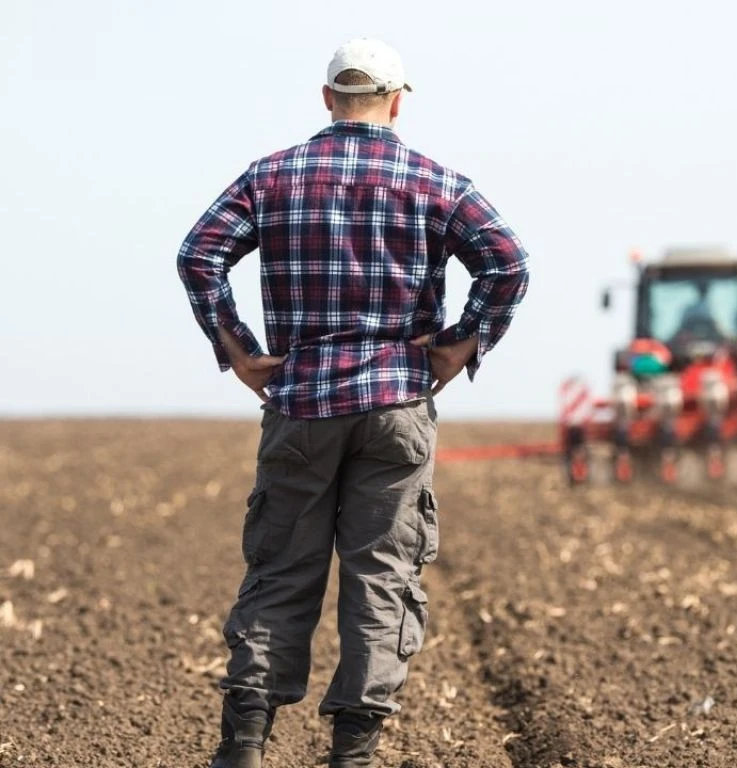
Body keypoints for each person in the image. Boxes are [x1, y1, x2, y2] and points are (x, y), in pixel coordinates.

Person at [176, 38, 529, 768]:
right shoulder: (438, 182)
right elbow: (509, 262)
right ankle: (355, 754)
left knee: (280, 572)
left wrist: (239, 350)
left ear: (327, 97)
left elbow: (199, 253)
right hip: (397, 403)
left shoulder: (271, 177)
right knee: (382, 577)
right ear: (398, 100)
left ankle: (242, 748)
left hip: (301, 405)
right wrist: (461, 345)